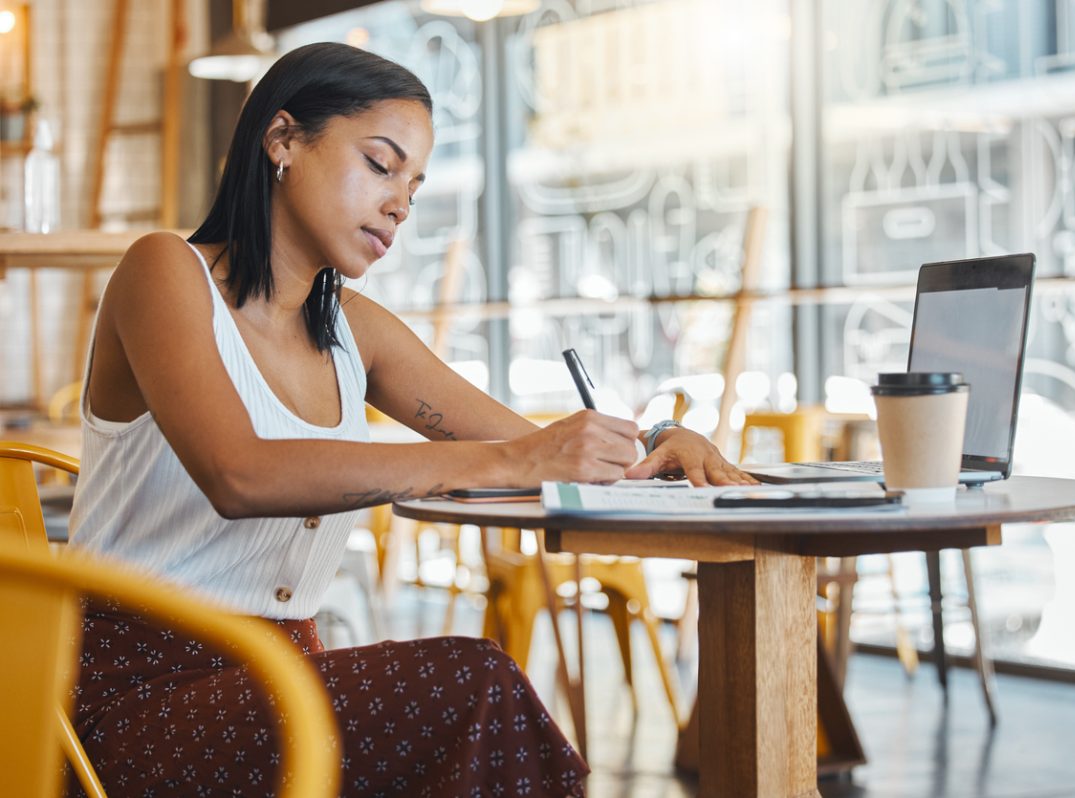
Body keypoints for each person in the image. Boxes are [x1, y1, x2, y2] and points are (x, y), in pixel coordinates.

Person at [65, 42, 754, 797]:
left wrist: (655, 444)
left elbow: (528, 446)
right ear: (283, 139)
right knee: (473, 682)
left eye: (414, 186)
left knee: (473, 699)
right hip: (137, 702)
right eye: (381, 165)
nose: (400, 204)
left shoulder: (353, 330)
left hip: (279, 686)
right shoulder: (164, 271)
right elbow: (240, 474)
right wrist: (510, 462)